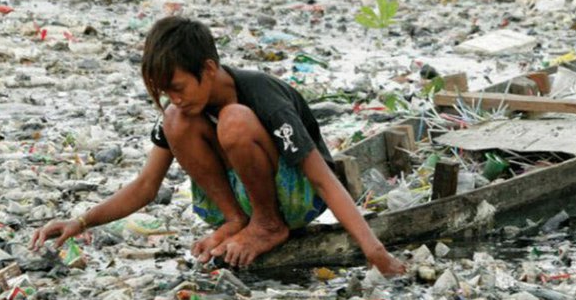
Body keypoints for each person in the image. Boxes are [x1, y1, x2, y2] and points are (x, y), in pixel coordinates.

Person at [31, 16, 407, 276]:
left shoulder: (262, 95)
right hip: (242, 200)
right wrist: (80, 222)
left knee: (234, 120)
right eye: (166, 91)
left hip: (296, 198)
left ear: (209, 69)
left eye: (178, 87)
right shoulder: (182, 110)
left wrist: (374, 251)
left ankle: (267, 225)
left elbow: (323, 179)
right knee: (174, 121)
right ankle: (236, 220)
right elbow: (146, 186)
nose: (174, 98)